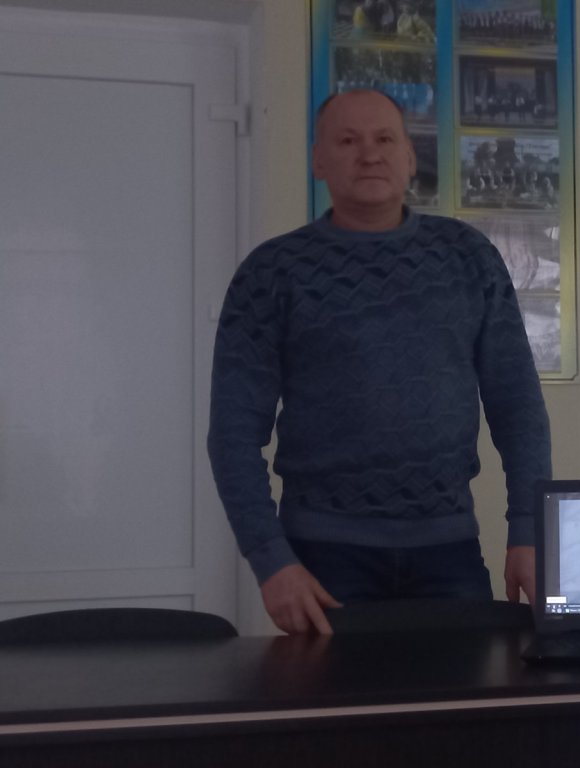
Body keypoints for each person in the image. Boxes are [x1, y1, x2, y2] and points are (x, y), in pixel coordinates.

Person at [208, 89, 551, 635]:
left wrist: (529, 531)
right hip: (322, 558)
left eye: (385, 139)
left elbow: (517, 405)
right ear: (318, 160)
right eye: (348, 141)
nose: (369, 154)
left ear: (410, 158)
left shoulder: (468, 257)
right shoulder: (272, 272)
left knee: (463, 693)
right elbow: (232, 431)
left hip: (450, 551)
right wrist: (270, 559)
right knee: (331, 696)